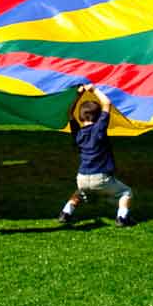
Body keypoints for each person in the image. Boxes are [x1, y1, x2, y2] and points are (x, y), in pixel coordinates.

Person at [58, 82, 133, 226]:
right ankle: (122, 218)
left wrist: (78, 95)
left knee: (80, 193)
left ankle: (66, 213)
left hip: (82, 177)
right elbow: (106, 103)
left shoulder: (78, 133)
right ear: (98, 117)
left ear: (80, 117)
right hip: (101, 178)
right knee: (126, 192)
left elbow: (69, 113)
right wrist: (93, 89)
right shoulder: (99, 130)